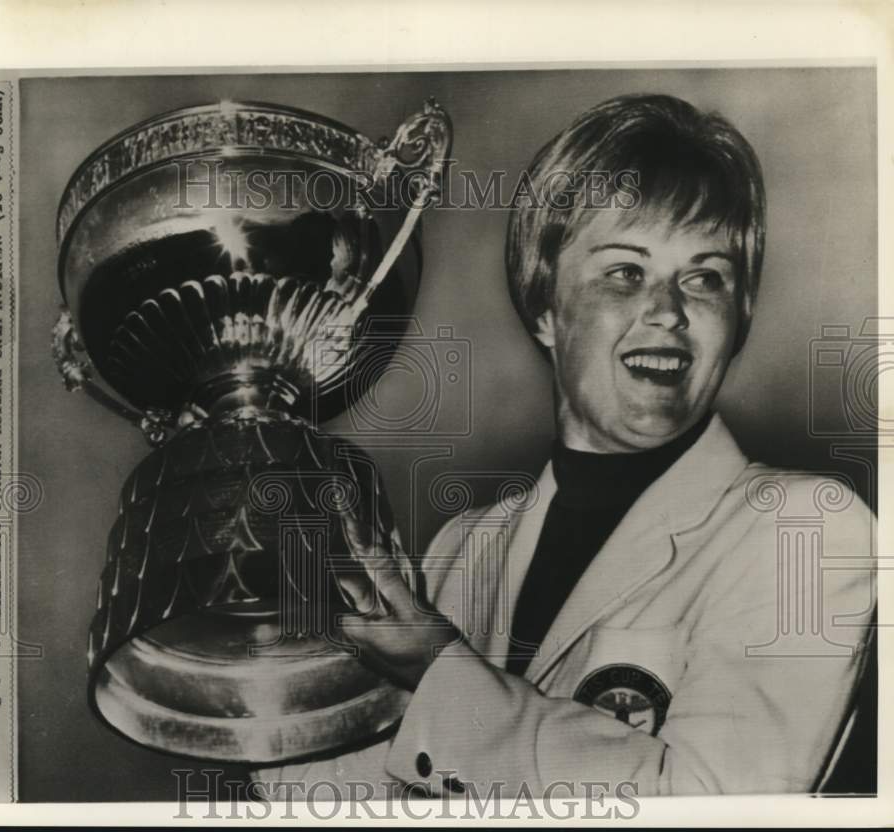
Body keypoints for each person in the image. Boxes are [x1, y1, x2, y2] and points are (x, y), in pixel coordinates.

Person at [253, 93, 875, 799]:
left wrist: (441, 672)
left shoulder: (806, 529)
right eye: (625, 272)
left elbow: (714, 804)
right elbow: (361, 801)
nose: (669, 311)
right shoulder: (465, 546)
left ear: (738, 317)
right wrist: (268, 656)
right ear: (545, 307)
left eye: (707, 277)